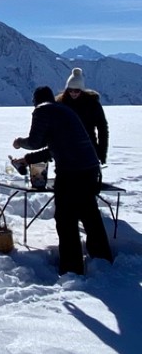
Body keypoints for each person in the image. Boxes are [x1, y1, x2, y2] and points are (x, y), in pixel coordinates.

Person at [12, 85, 112, 276]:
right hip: (90, 170)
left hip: (71, 173)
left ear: (36, 101)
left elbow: (35, 141)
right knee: (90, 215)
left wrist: (20, 142)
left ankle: (71, 269)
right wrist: (27, 160)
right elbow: (54, 148)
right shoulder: (65, 111)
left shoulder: (43, 110)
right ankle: (103, 261)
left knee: (66, 219)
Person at [56, 67, 109, 165]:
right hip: (66, 151)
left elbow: (102, 129)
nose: (73, 93)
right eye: (70, 90)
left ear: (81, 90)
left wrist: (101, 153)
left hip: (88, 150)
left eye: (76, 90)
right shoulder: (61, 104)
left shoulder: (92, 104)